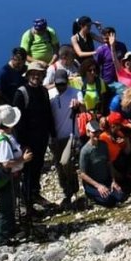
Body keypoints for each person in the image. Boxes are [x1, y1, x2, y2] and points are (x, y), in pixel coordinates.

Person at [12, 63, 56, 212]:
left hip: (42, 138)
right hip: (27, 141)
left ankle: (35, 194)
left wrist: (52, 132)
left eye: (39, 74)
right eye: (33, 73)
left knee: (37, 167)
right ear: (28, 75)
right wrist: (22, 144)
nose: (36, 76)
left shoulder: (43, 91)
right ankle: (27, 202)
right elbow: (17, 121)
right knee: (28, 171)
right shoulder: (21, 93)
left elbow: (48, 113)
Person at [0, 105, 33, 246]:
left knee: (9, 205)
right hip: (8, 178)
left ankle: (9, 231)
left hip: (7, 178)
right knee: (6, 207)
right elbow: (5, 163)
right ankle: (2, 239)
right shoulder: (3, 140)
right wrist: (23, 159)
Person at [49, 69, 82, 209]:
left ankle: (74, 190)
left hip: (71, 135)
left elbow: (84, 108)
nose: (60, 86)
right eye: (57, 84)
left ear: (67, 82)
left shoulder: (75, 92)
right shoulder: (50, 95)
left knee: (67, 162)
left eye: (62, 84)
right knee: (59, 166)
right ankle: (67, 193)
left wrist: (78, 105)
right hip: (54, 138)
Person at [79, 120, 127, 207]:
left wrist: (113, 181)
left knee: (120, 196)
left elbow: (109, 163)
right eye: (94, 132)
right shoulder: (85, 151)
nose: (97, 134)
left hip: (105, 180)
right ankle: (91, 195)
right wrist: (98, 186)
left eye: (98, 132)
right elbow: (82, 174)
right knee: (108, 200)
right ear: (88, 133)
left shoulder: (103, 145)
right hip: (93, 184)